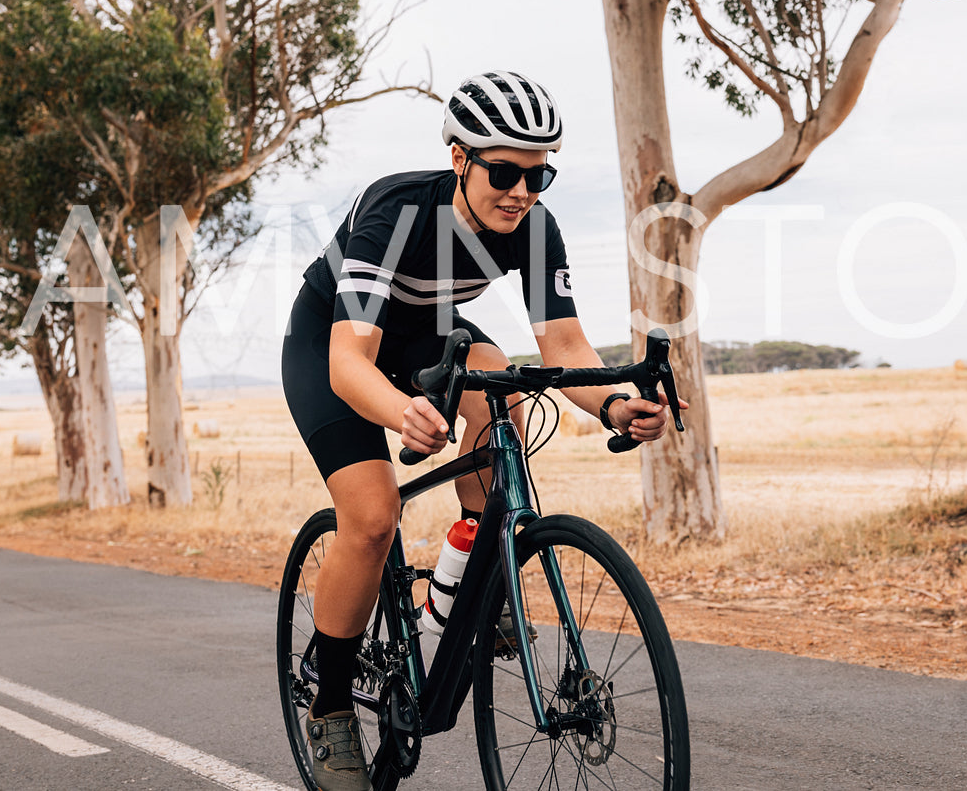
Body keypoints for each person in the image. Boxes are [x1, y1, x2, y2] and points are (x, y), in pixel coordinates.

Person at [280, 71, 684, 791]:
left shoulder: (533, 227)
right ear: (461, 159)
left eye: (539, 175)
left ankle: (469, 578)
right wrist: (400, 412)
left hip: (430, 333)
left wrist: (617, 408)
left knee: (501, 385)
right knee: (372, 519)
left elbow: (563, 351)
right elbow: (350, 362)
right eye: (505, 171)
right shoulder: (397, 213)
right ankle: (331, 704)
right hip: (334, 343)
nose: (522, 192)